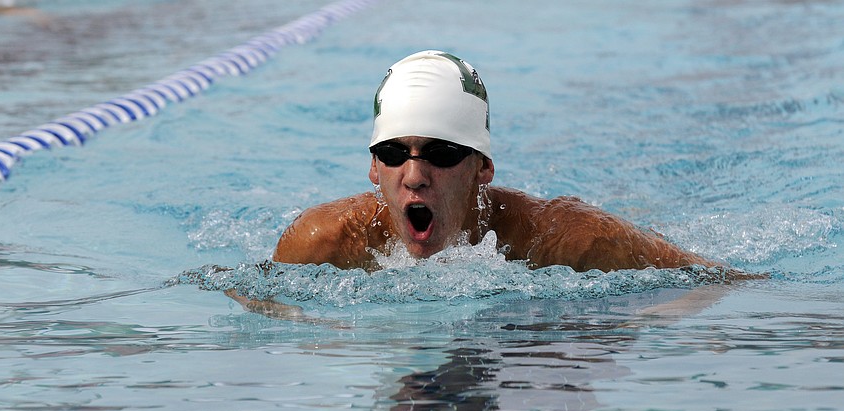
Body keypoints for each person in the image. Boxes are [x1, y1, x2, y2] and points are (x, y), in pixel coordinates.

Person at [272, 50, 721, 274]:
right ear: (374, 167)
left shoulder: (568, 241)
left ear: (483, 167)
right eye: (393, 153)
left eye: (442, 152)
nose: (414, 177)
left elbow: (715, 282)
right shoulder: (321, 243)